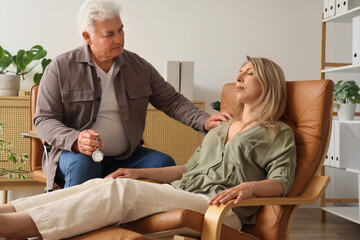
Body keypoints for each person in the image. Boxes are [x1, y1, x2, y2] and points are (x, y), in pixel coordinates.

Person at [0, 56, 296, 239]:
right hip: (184, 192)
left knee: (120, 191)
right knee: (105, 184)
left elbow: (282, 181)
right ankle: (8, 212)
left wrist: (251, 188)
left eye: (249, 73)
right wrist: (136, 173)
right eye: (239, 72)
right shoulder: (221, 128)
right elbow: (190, 169)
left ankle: (16, 229)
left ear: (269, 85)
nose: (238, 78)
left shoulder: (277, 132)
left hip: (219, 207)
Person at [34, 0, 231, 190]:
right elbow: (43, 120)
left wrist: (205, 121)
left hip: (127, 156)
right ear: (88, 37)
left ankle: (136, 223)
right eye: (109, 34)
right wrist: (76, 140)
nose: (119, 38)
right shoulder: (59, 68)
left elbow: (172, 101)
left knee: (164, 164)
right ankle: (78, 223)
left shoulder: (138, 66)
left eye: (120, 29)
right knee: (84, 165)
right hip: (74, 154)